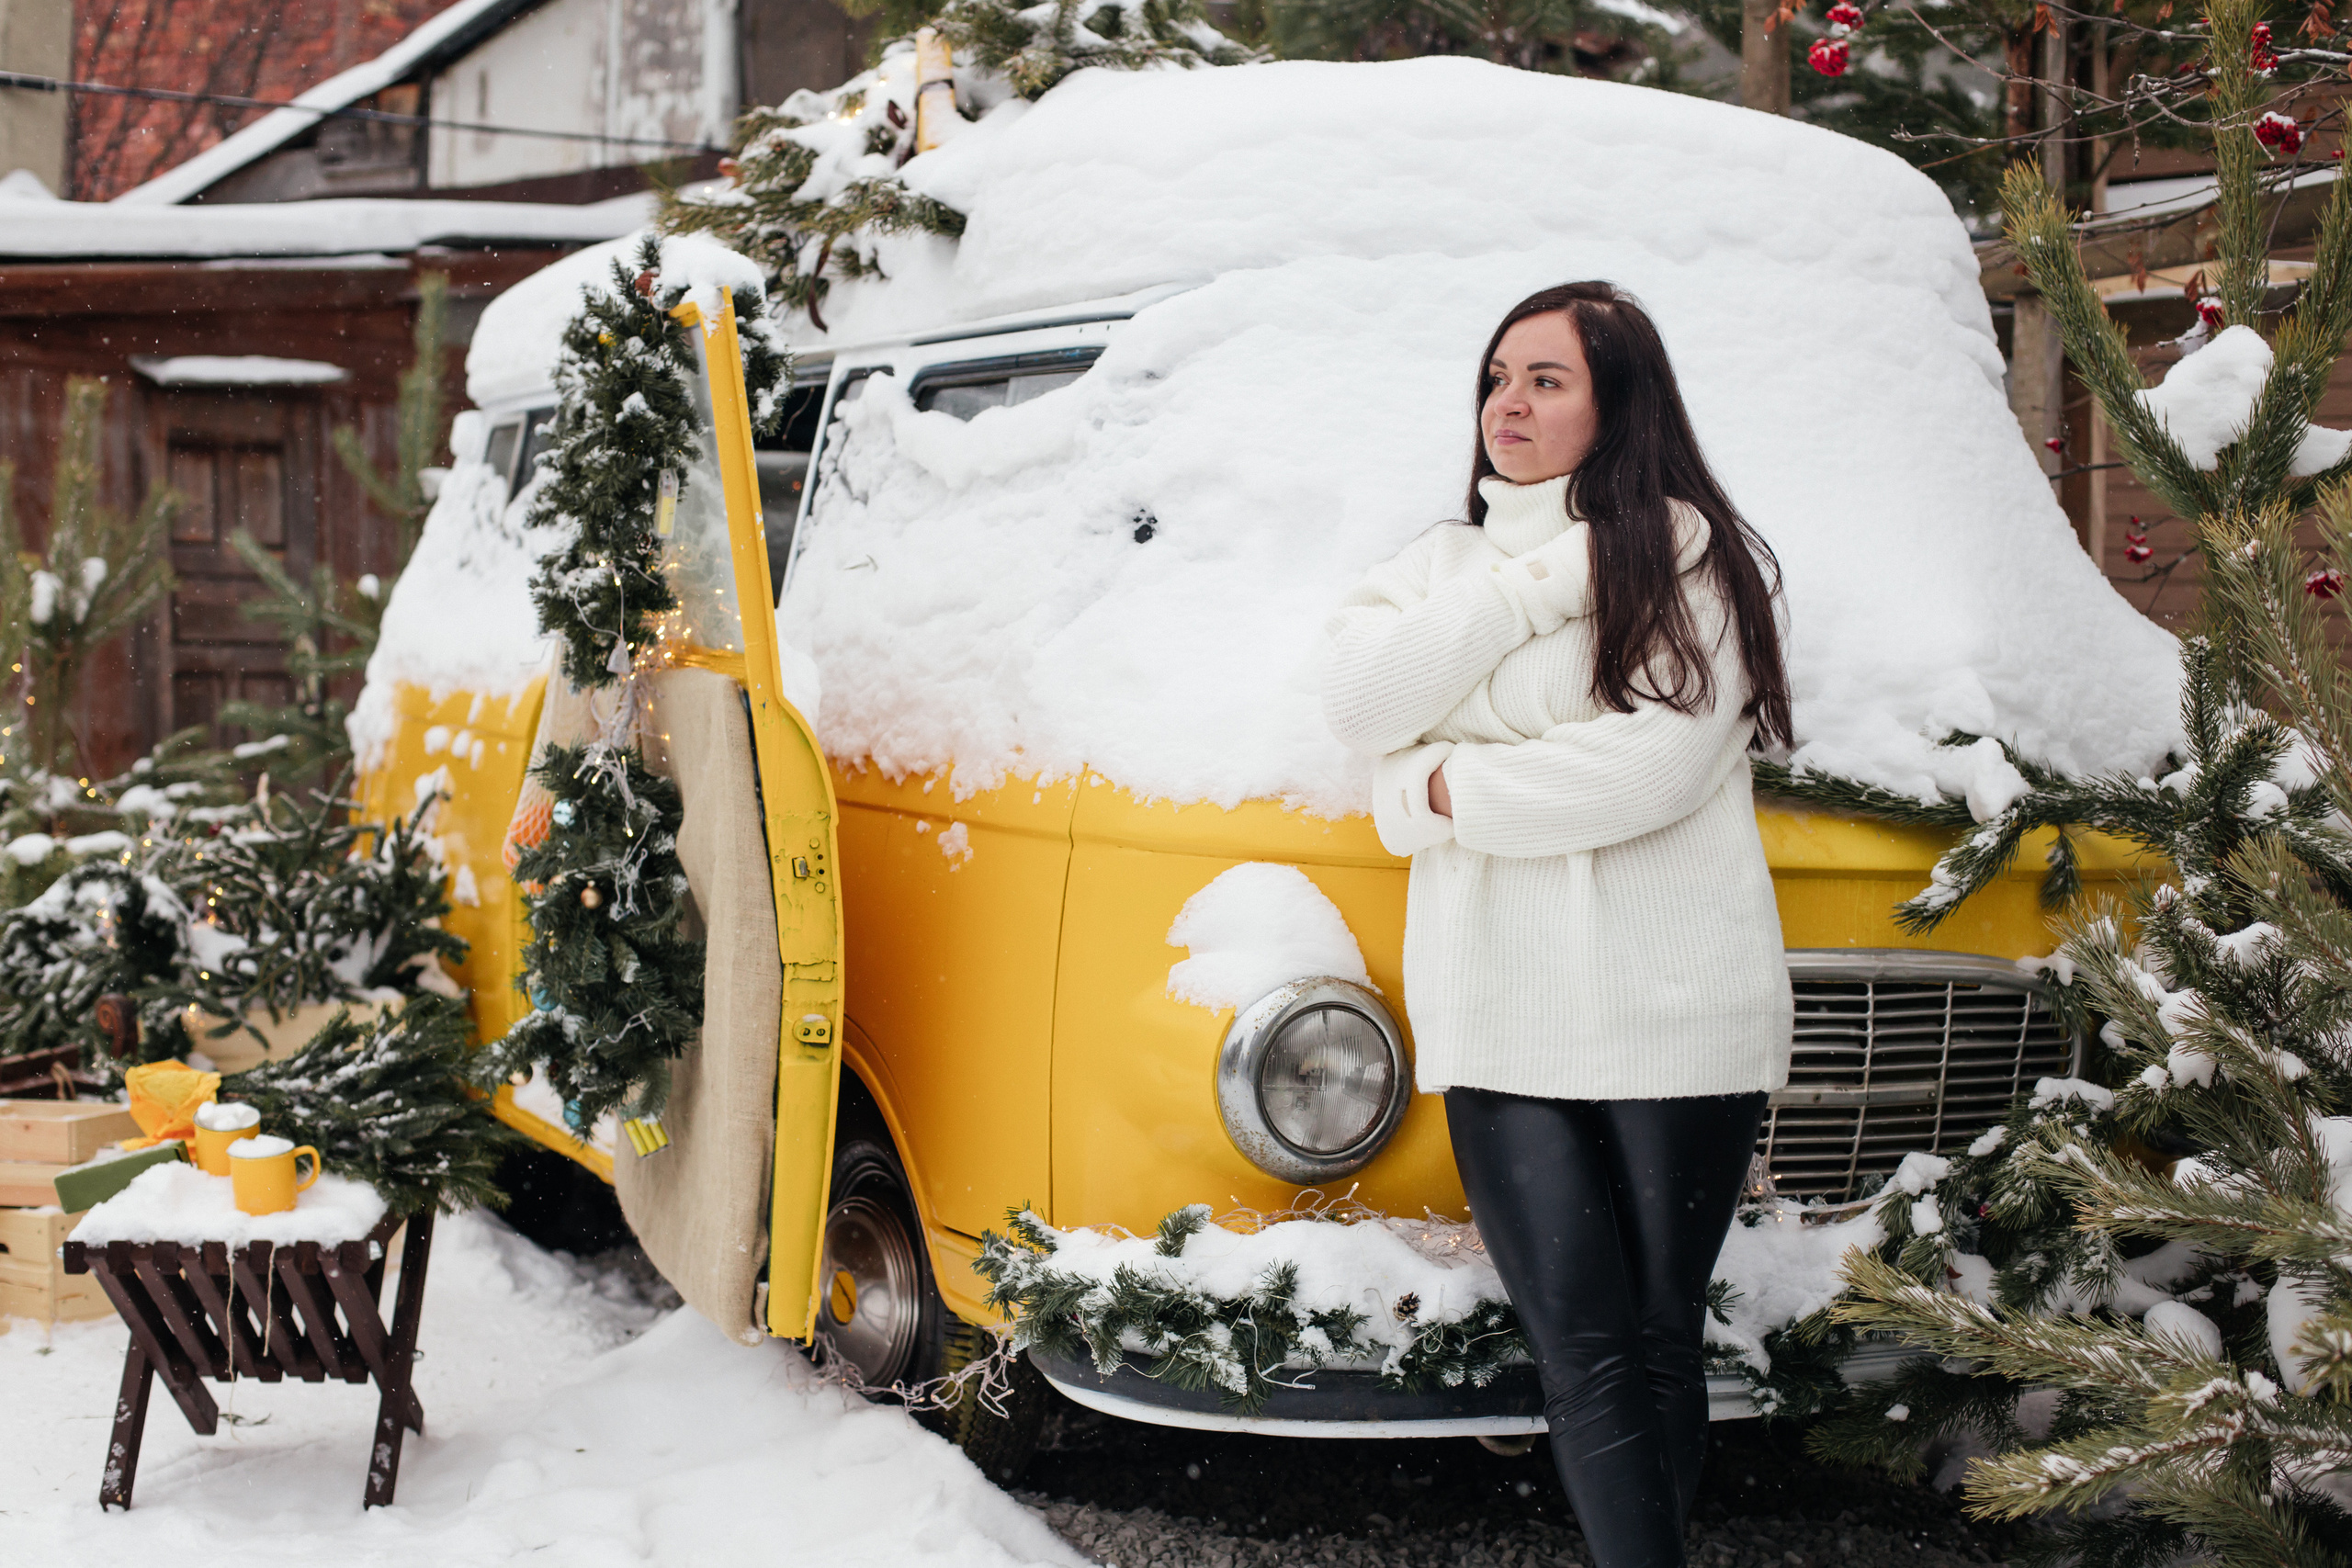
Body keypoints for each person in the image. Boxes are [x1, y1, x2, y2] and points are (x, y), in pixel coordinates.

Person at [1320, 281, 1796, 1568]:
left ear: (1618, 404)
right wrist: (1532, 592)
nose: (1508, 406)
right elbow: (1364, 705)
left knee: (1652, 1331)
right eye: (1497, 378)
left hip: (1674, 1005)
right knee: (1581, 1341)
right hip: (1500, 1006)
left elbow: (1648, 774)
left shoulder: (1696, 557)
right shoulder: (1436, 567)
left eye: (1547, 381)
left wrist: (1439, 787)